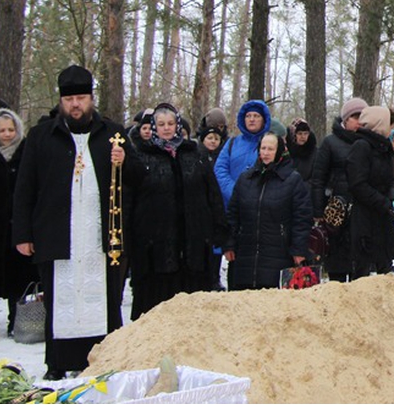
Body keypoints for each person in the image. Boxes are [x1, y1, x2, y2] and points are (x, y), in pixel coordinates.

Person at [11, 65, 144, 379]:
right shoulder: (42, 135)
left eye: (81, 98)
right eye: (69, 99)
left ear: (91, 99)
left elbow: (141, 178)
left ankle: (105, 359)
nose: (75, 105)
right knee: (60, 299)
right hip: (57, 234)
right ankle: (57, 363)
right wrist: (22, 233)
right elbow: (25, 187)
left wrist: (125, 161)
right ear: (61, 101)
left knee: (106, 300)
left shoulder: (112, 133)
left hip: (102, 238)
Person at [129, 103, 227, 319]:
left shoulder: (193, 154)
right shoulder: (141, 157)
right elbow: (132, 200)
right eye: (161, 124)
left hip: (193, 244)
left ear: (178, 125)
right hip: (156, 248)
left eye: (171, 123)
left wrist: (218, 227)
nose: (166, 128)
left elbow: (211, 192)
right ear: (154, 126)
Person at [225, 133, 312, 290]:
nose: (265, 153)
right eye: (263, 148)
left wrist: (299, 250)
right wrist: (229, 244)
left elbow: (302, 219)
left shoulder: (292, 180)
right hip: (245, 258)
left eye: (270, 149)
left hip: (279, 256)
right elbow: (233, 214)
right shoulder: (245, 179)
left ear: (279, 151)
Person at [0, 107, 36, 336]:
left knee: (18, 278)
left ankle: (16, 320)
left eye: (10, 129)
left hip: (17, 225)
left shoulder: (25, 152)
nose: (6, 134)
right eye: (1, 130)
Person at [310, 97, 367, 282]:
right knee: (337, 264)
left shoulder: (369, 143)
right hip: (335, 211)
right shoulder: (330, 143)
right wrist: (318, 210)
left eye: (363, 117)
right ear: (346, 119)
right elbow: (318, 178)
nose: (360, 121)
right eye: (356, 117)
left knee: (360, 265)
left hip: (361, 210)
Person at [345, 106, 394, 279]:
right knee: (362, 270)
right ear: (380, 124)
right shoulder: (361, 146)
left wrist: (393, 197)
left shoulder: (383, 148)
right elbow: (357, 184)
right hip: (365, 218)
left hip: (383, 218)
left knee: (385, 268)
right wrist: (383, 202)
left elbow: (392, 178)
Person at [213, 100, 272, 207]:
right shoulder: (232, 143)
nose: (252, 119)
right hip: (232, 206)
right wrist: (235, 193)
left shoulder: (271, 144)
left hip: (260, 207)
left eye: (256, 116)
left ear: (264, 120)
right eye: (248, 116)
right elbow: (220, 170)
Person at [287, 118, 317, 183]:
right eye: (299, 133)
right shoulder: (286, 152)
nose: (303, 137)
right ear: (293, 134)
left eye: (306, 133)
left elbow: (316, 177)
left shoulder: (315, 153)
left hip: (306, 190)